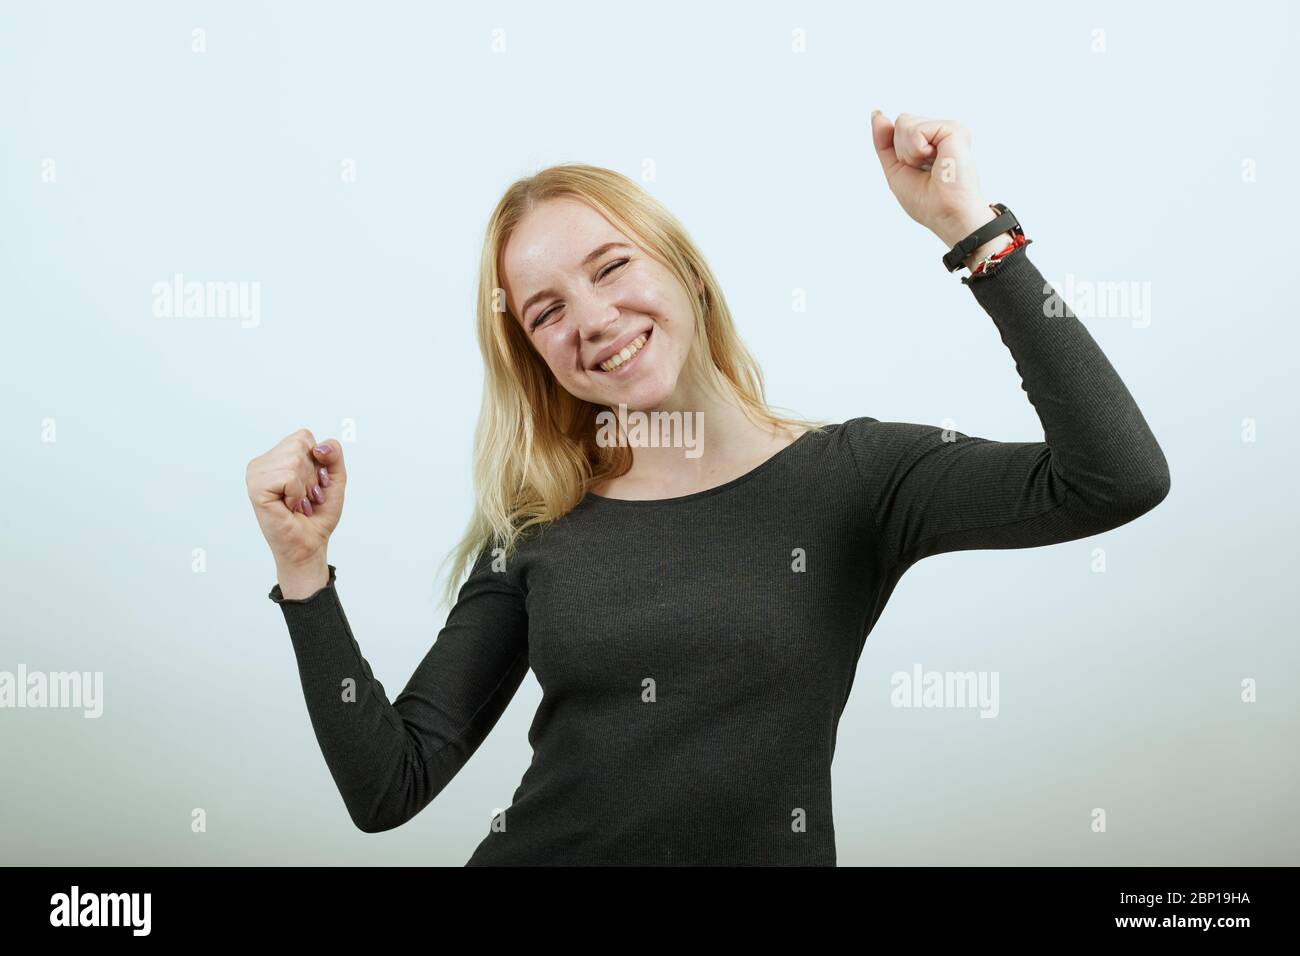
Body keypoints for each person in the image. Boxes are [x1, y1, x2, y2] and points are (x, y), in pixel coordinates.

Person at [244, 112, 1170, 866]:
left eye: (611, 267)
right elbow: (389, 787)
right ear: (536, 358)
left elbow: (1116, 478)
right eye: (547, 311)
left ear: (684, 268)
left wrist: (974, 231)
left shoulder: (855, 477)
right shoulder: (534, 526)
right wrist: (303, 570)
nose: (592, 319)